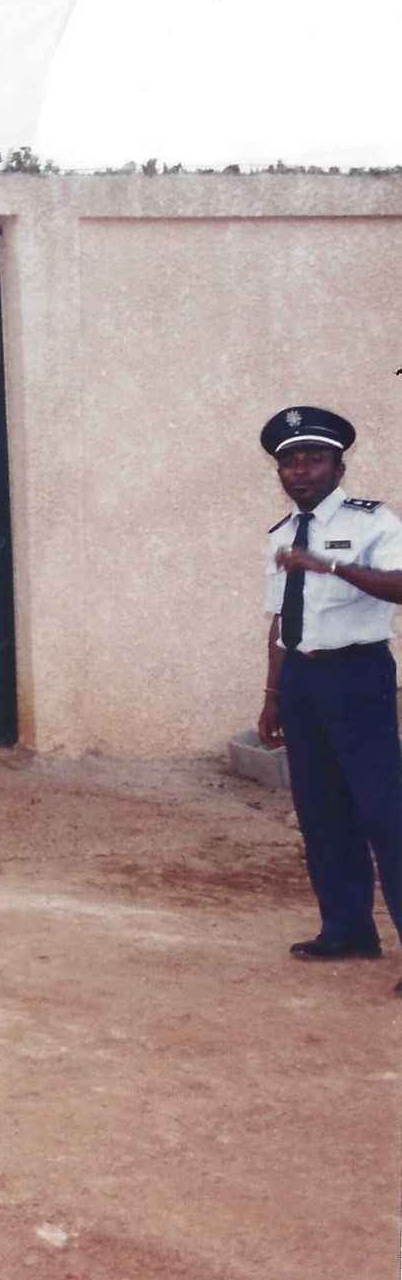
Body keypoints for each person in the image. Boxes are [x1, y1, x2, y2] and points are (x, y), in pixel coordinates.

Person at [253, 406, 402, 982]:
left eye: (314, 459)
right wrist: (272, 695)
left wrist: (330, 566)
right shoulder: (281, 535)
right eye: (290, 461)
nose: (301, 471)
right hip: (303, 682)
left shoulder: (373, 522)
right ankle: (348, 931)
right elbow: (281, 619)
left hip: (356, 676)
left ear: (340, 468)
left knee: (385, 811)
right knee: (321, 809)